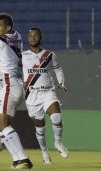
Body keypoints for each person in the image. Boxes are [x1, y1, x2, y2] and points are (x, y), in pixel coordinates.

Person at [0, 13, 33, 169]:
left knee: (2, 125)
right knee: (0, 125)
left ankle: (23, 159)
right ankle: (17, 159)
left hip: (8, 85)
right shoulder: (18, 36)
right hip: (13, 85)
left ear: (8, 27)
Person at [22, 27, 69, 164]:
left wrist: (61, 82)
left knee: (57, 117)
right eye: (30, 35)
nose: (32, 37)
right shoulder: (22, 55)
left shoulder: (49, 55)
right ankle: (44, 152)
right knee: (40, 128)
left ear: (41, 37)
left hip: (48, 91)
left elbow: (58, 70)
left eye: (36, 35)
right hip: (31, 94)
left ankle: (58, 143)